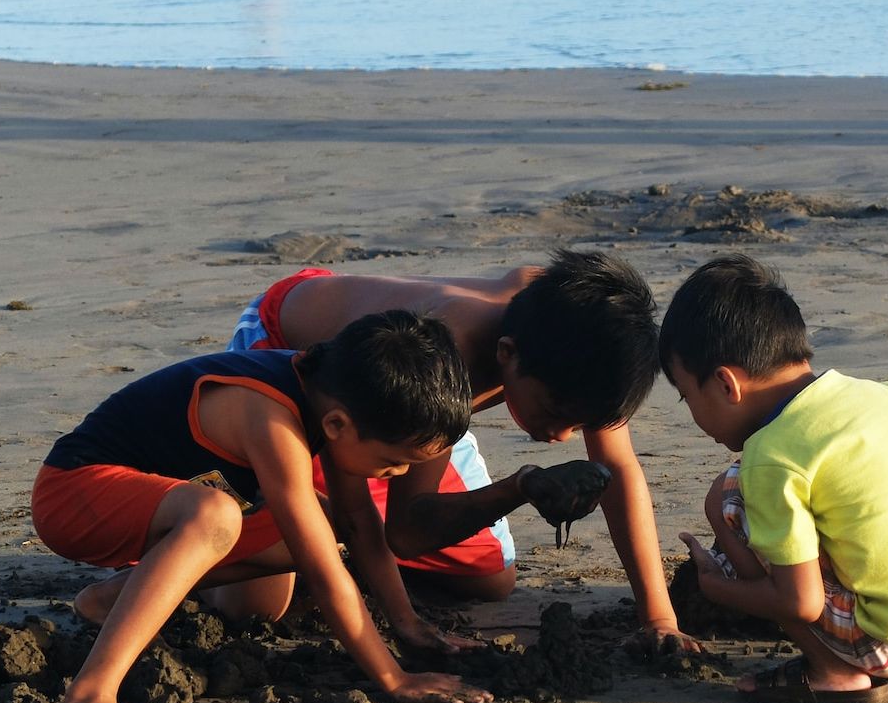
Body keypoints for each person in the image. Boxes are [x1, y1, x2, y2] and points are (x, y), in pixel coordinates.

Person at [31, 310, 493, 703]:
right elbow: (324, 570)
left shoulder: (335, 396)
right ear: (337, 425)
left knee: (263, 599)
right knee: (218, 515)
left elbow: (358, 523)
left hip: (160, 507)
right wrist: (392, 678)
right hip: (73, 495)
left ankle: (113, 600)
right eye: (395, 461)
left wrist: (407, 624)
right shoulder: (271, 413)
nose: (399, 474)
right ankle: (87, 702)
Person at [226, 250, 698, 652]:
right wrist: (405, 621)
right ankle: (207, 537)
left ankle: (344, 558)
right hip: (307, 373)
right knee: (259, 606)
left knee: (490, 579)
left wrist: (658, 617)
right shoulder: (451, 348)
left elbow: (617, 468)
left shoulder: (585, 337)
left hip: (416, 409)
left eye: (581, 423)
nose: (562, 436)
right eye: (555, 412)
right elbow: (402, 530)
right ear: (507, 353)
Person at [660, 255, 888, 703]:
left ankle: (834, 672)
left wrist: (717, 588)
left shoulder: (770, 455)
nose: (692, 414)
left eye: (687, 396)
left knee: (726, 497)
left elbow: (801, 603)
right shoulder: (887, 395)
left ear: (726, 385)